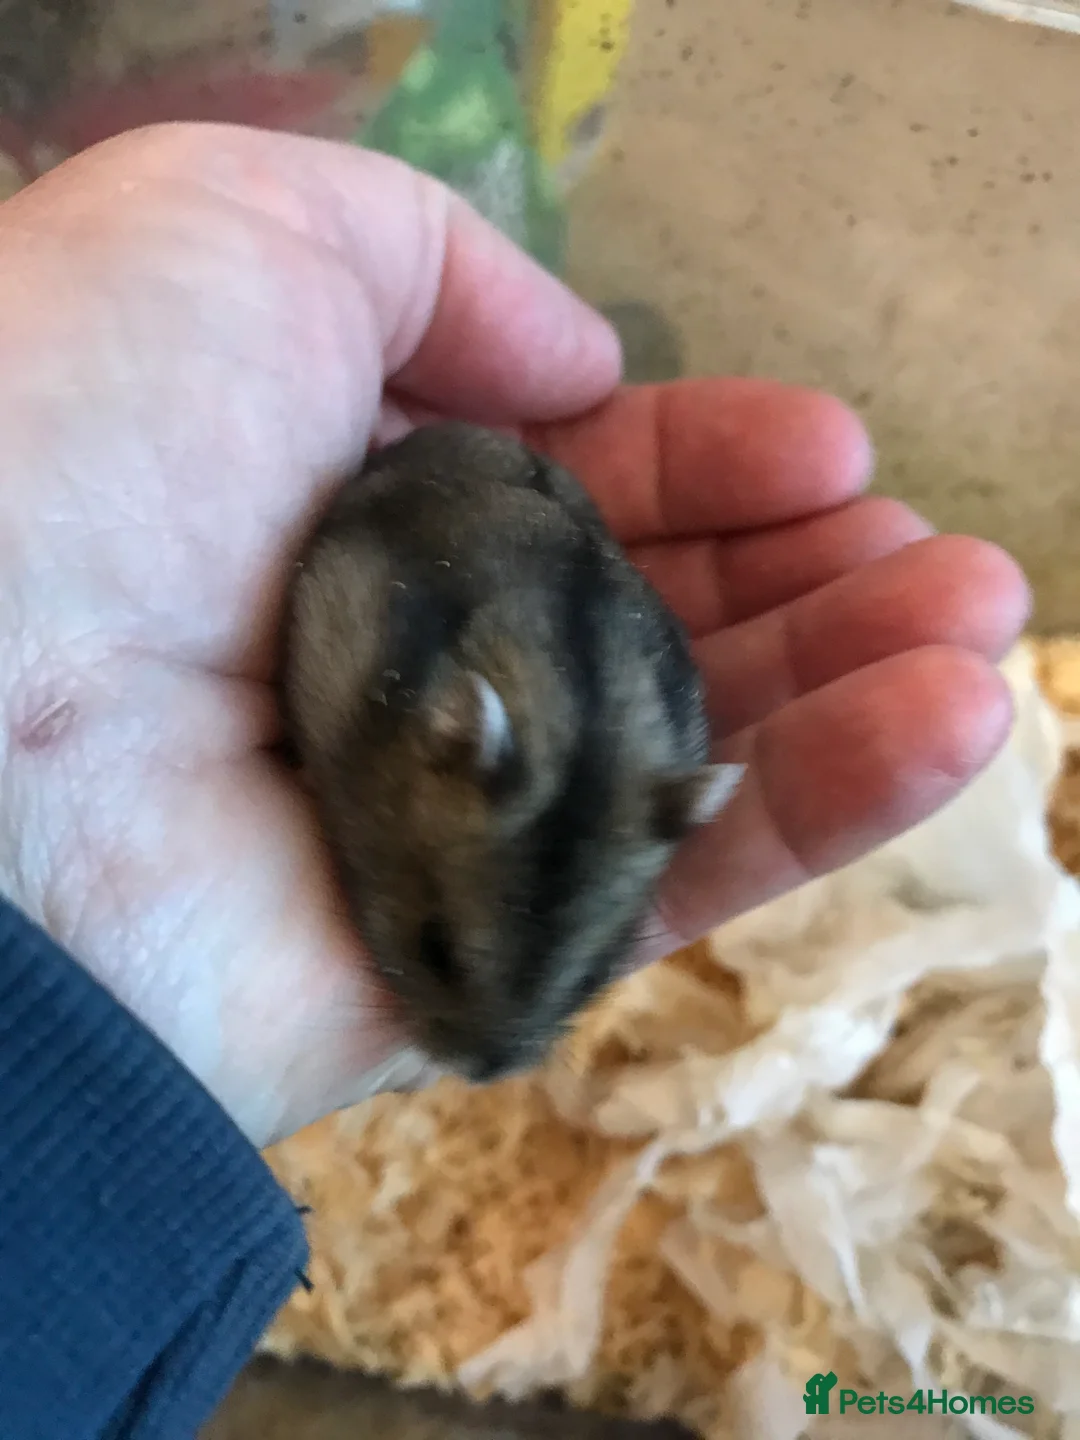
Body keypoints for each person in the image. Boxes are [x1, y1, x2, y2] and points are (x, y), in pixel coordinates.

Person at [0, 123, 1029, 1440]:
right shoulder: (420, 690)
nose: (476, 1059)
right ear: (444, 737)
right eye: (436, 943)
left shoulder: (616, 749)